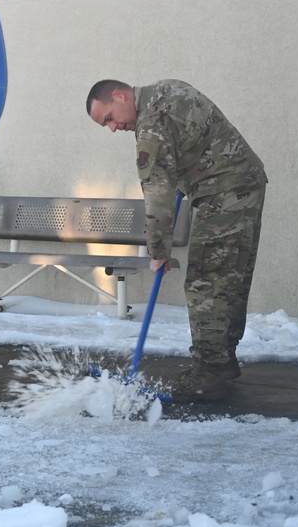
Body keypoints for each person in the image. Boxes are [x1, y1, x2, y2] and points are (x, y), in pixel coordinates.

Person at [86, 79, 267, 401]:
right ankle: (222, 360)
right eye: (107, 125)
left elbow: (157, 197)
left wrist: (158, 251)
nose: (114, 128)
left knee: (205, 281)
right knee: (231, 277)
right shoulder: (167, 90)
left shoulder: (151, 127)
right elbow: (195, 140)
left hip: (223, 191)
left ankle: (208, 371)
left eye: (110, 118)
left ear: (119, 95)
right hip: (243, 181)